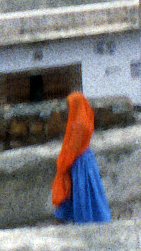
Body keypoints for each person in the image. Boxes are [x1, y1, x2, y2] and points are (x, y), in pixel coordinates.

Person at [51, 92, 111, 224]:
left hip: (80, 162)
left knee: (82, 192)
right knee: (88, 191)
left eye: (69, 105)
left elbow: (74, 147)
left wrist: (63, 163)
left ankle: (85, 219)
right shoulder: (82, 119)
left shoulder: (79, 124)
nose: (67, 109)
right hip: (85, 159)